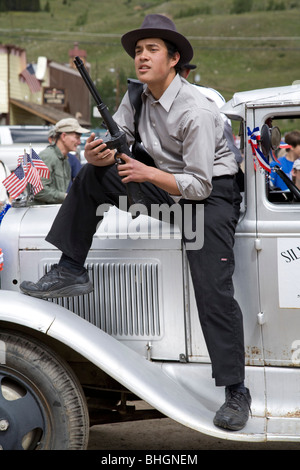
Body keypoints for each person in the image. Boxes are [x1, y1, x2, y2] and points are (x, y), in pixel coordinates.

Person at [20, 14, 251, 431]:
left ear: (174, 59)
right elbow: (115, 141)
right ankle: (71, 268)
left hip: (211, 194)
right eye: (138, 50)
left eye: (152, 50)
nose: (141, 57)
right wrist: (96, 155)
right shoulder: (136, 96)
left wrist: (147, 175)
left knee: (212, 289)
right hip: (164, 182)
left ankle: (236, 391)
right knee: (91, 176)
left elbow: (198, 185)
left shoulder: (197, 109)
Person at [33, 118, 89, 204]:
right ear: (63, 136)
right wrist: (66, 197)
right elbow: (38, 190)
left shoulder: (65, 160)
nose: (79, 142)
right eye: (76, 137)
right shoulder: (47, 156)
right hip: (43, 214)